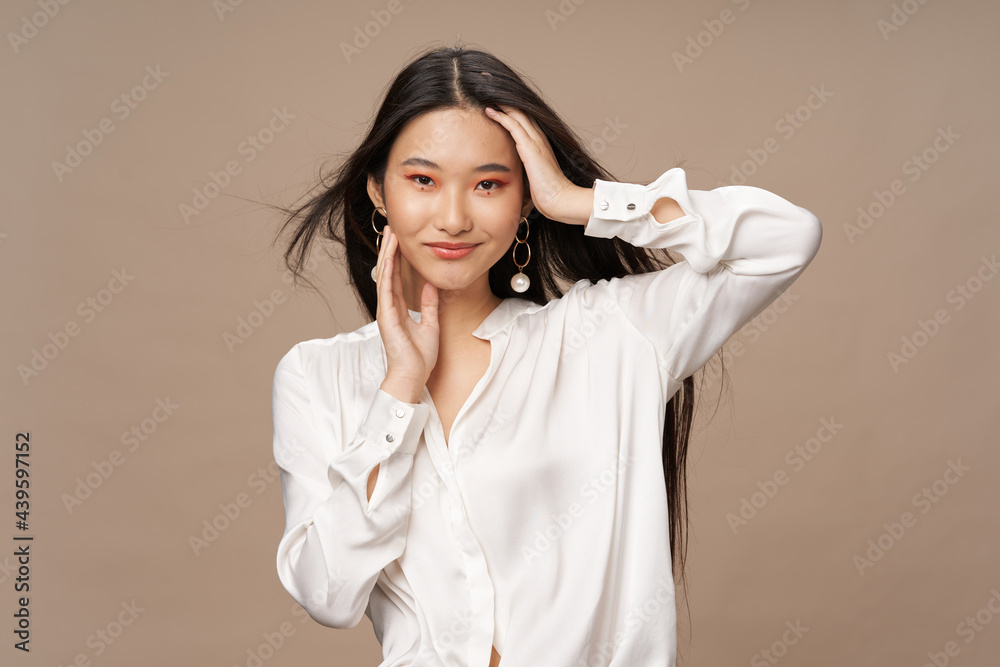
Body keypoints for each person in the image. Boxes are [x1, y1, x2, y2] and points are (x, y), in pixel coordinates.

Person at [269, 44, 822, 667]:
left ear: (524, 198)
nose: (452, 217)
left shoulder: (609, 336)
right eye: (422, 180)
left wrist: (580, 201)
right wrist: (399, 388)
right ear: (377, 190)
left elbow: (786, 240)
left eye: (488, 184)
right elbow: (327, 593)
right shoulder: (317, 377)